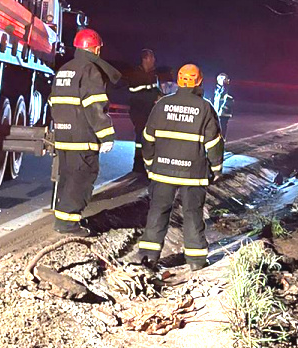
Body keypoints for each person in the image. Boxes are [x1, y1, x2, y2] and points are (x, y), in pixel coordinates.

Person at [136, 64, 224, 271]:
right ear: (199, 81)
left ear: (178, 80)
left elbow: (148, 138)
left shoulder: (162, 105)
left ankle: (148, 257)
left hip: (162, 171)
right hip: (193, 174)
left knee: (157, 211)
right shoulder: (205, 108)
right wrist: (216, 168)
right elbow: (213, 144)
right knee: (193, 214)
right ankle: (196, 261)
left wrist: (149, 164)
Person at [48, 28, 120, 236]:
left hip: (63, 135)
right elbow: (95, 104)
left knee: (68, 176)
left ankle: (62, 219)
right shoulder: (90, 70)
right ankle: (68, 223)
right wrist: (106, 135)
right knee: (82, 177)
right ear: (95, 49)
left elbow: (53, 101)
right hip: (82, 136)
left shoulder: (65, 69)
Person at [128, 49, 162, 174]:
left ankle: (146, 163)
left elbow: (155, 90)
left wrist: (160, 96)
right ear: (145, 59)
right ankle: (138, 165)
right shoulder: (136, 75)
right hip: (139, 112)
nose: (154, 60)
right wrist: (154, 98)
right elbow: (135, 94)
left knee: (149, 138)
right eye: (152, 58)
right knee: (140, 139)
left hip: (150, 112)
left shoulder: (153, 75)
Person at [213, 73, 234, 140]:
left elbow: (229, 100)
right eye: (220, 78)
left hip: (223, 114)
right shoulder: (217, 88)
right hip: (217, 113)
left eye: (223, 79)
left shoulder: (227, 89)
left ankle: (221, 142)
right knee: (215, 129)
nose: (222, 80)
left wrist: (222, 110)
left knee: (222, 128)